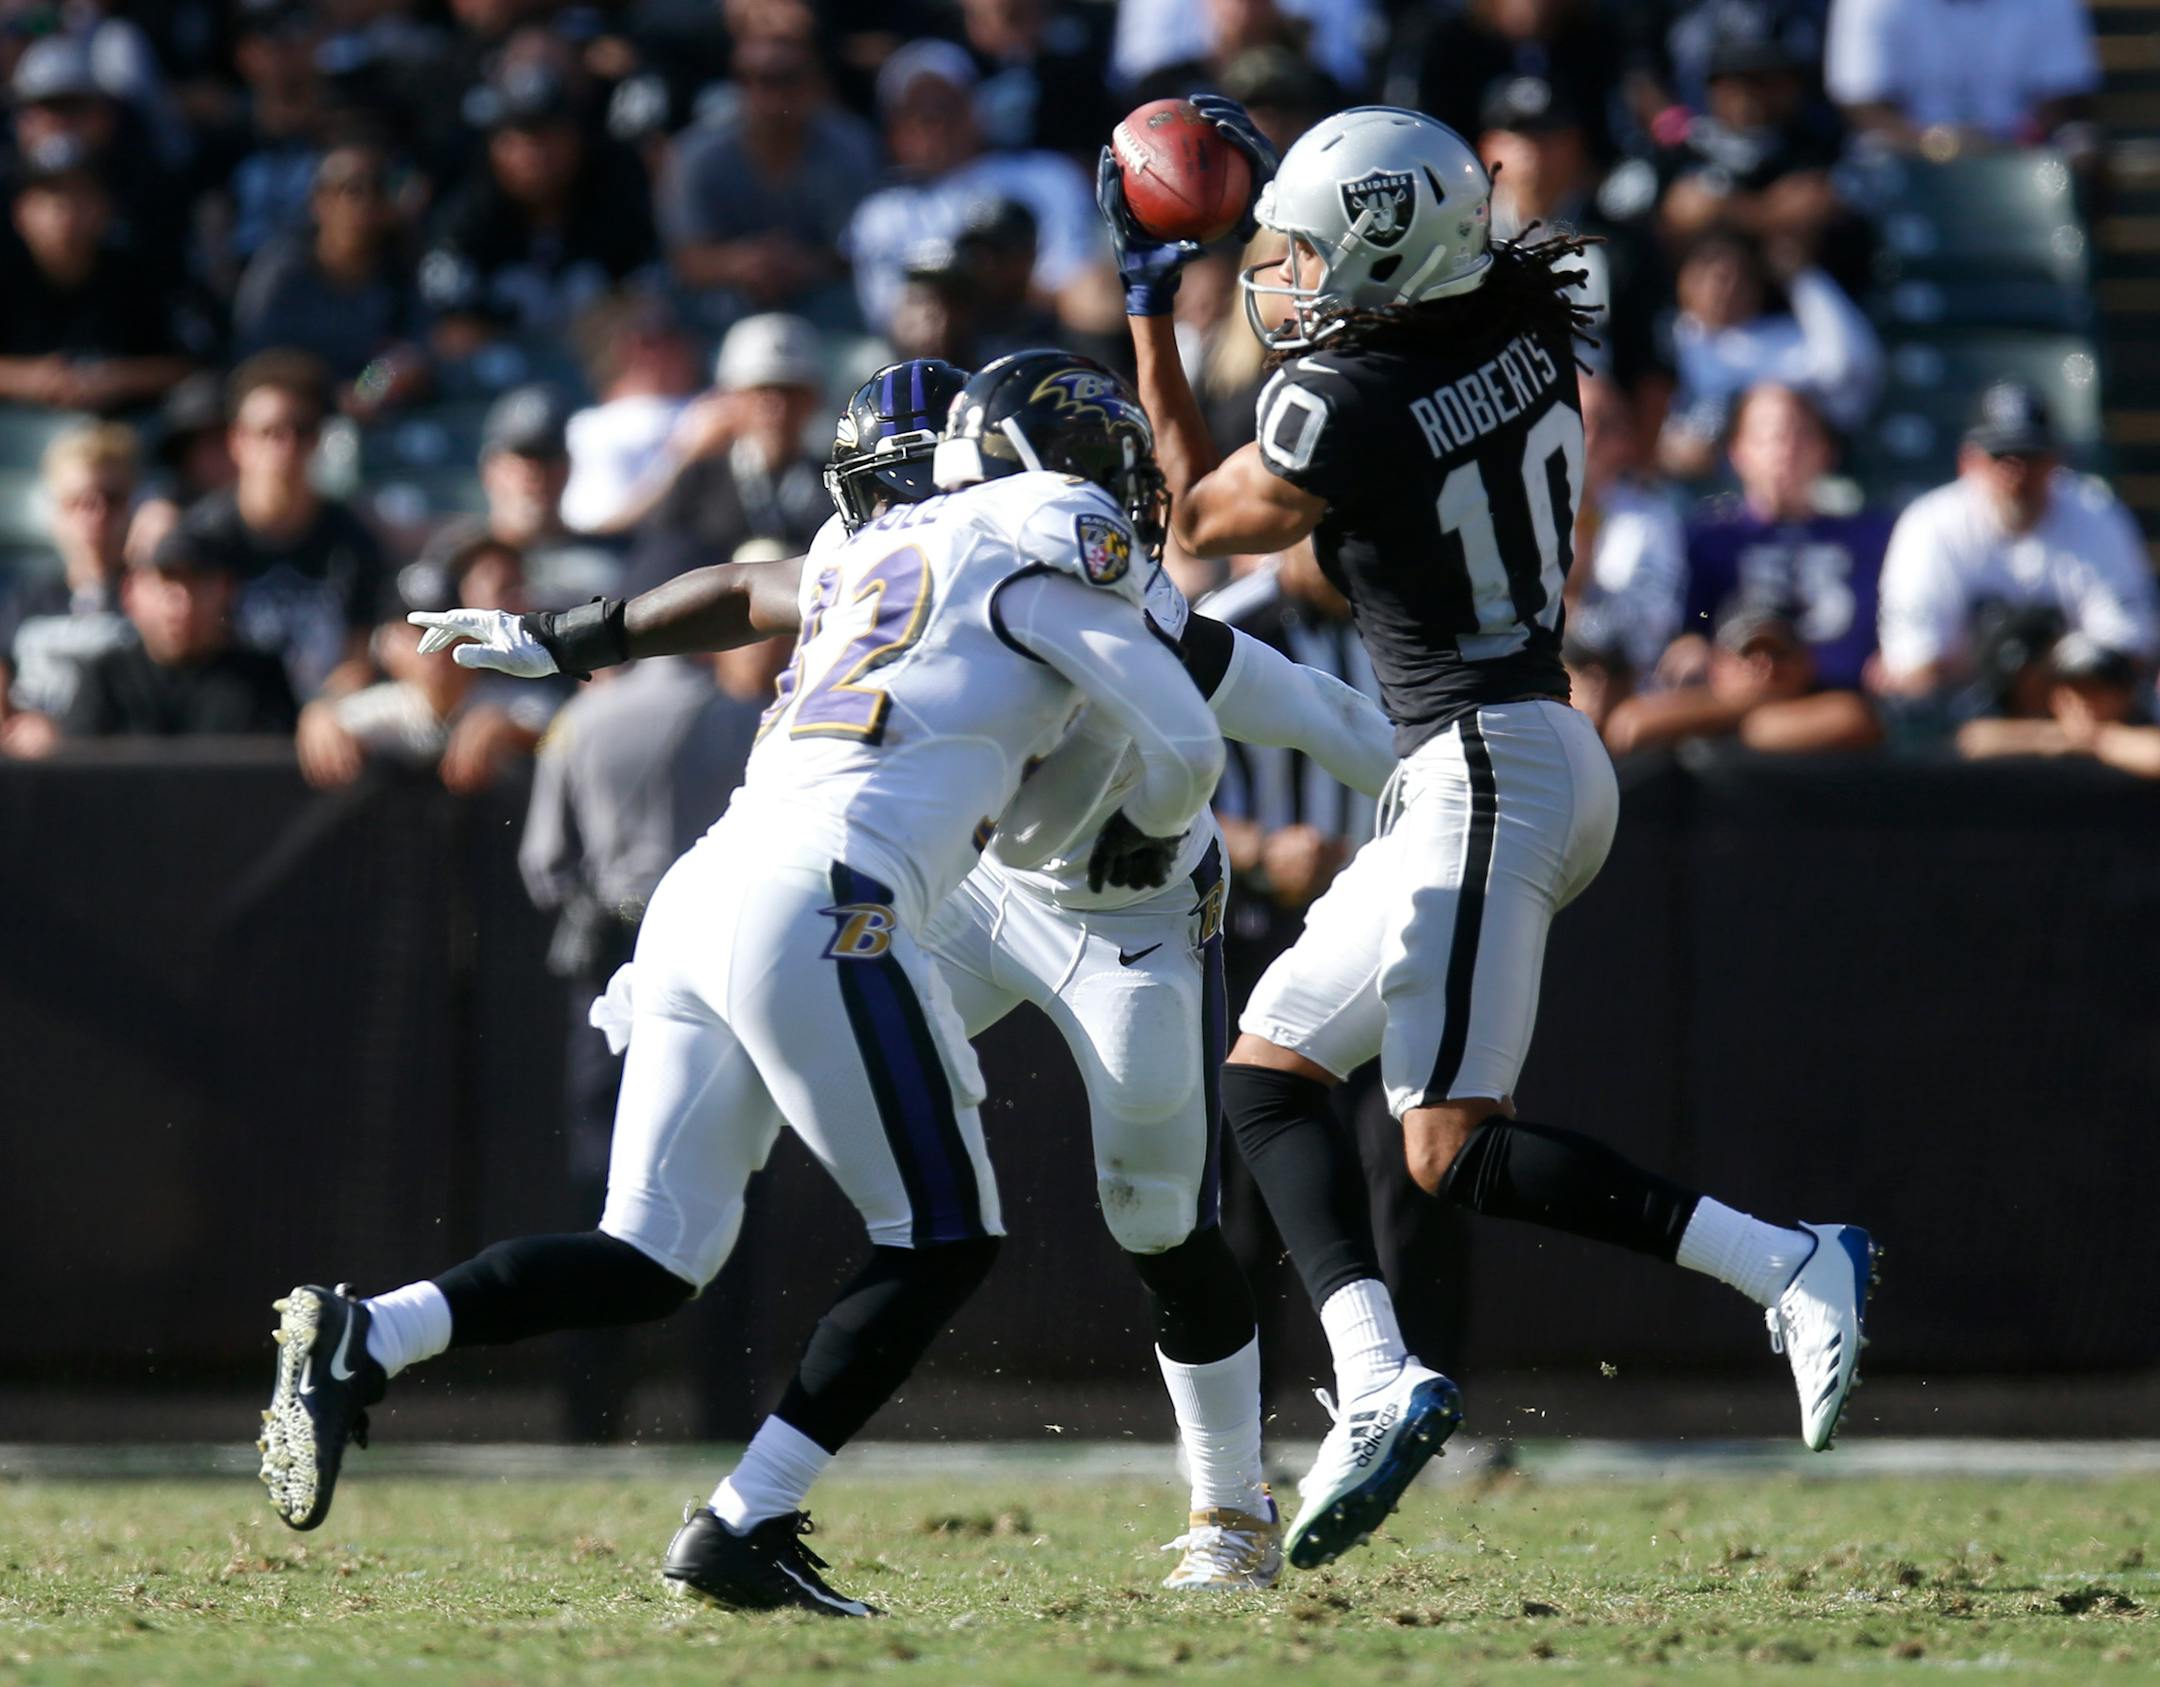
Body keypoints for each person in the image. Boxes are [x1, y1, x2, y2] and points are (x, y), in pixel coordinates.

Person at [364, 351, 1404, 1594]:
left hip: (1125, 911)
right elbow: (758, 589)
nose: (887, 506)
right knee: (877, 1187)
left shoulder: (1055, 561)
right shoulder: (916, 558)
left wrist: (1441, 795)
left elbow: (1285, 714)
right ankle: (740, 1469)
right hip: (964, 889)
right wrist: (569, 636)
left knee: (1154, 1211)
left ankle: (1229, 1507)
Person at [1098, 98, 1875, 1568]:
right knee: (1267, 1076)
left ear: (1391, 253)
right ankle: (1376, 1370)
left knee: (1447, 1145)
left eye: (1311, 252)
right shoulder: (1524, 324)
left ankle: (1784, 1261)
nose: (1285, 272)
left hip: (1480, 762)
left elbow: (1194, 521)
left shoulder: (1354, 397)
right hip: (1507, 747)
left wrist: (1151, 309)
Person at [1876, 381, 2158, 698]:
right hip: (1958, 725)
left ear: (2056, 460)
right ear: (1967, 462)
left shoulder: (2098, 515)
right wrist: (2004, 671)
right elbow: (1914, 672)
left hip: (2076, 716)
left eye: (2030, 456)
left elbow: (2131, 654)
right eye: (2000, 457)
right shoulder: (1930, 525)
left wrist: (2033, 673)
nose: (2016, 472)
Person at [843, 41, 1113, 338]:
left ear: (976, 109)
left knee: (1096, 294)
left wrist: (1002, 284)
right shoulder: (879, 215)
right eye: (917, 112)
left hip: (1042, 331)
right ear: (893, 131)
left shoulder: (1045, 174)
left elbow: (1070, 279)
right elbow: (890, 315)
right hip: (943, 349)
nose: (934, 124)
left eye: (946, 106)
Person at [182, 351, 386, 700]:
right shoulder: (201, 540)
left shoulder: (352, 540)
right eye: (269, 432)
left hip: (325, 729)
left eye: (300, 430)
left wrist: (325, 710)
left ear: (319, 440)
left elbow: (359, 657)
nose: (285, 446)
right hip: (228, 724)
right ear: (238, 441)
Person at [295, 536, 558, 793]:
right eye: (419, 632)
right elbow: (332, 720)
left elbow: (567, 736)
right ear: (388, 645)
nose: (437, 648)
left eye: (448, 628)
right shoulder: (387, 708)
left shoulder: (509, 701)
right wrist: (318, 715)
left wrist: (515, 733)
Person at [1680, 382, 1891, 696]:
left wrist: (1891, 651)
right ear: (1737, 452)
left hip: (1842, 697)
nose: (1786, 449)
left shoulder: (1870, 537)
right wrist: (1700, 637)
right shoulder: (1713, 538)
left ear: (1826, 449)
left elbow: (1884, 613)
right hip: (1739, 694)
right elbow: (1701, 610)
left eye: (1801, 434)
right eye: (1768, 436)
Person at [420, 61, 659, 340]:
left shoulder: (615, 205)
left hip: (599, 371)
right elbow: (415, 345)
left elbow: (652, 303)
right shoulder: (461, 227)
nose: (536, 155)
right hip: (494, 376)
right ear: (495, 148)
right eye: (522, 139)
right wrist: (370, 384)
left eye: (550, 136)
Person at [656, 29, 876, 323]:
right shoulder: (697, 155)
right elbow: (685, 260)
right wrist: (742, 263)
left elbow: (861, 254)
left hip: (824, 301)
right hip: (727, 303)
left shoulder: (849, 149)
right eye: (755, 78)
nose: (772, 95)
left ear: (817, 82)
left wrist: (798, 267)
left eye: (788, 78)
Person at [1656, 224, 1880, 479]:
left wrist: (1802, 277)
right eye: (1709, 273)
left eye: (1737, 277)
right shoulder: (1659, 336)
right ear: (1683, 277)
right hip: (1672, 488)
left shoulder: (1778, 343)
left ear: (1757, 286)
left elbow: (1847, 365)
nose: (1722, 288)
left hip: (1762, 484)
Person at [0, 136, 206, 413]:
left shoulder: (142, 275)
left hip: (125, 435)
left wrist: (118, 379)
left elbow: (193, 365)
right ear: (20, 212)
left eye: (80, 196)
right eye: (51, 197)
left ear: (106, 207)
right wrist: (26, 378)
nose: (66, 212)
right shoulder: (7, 273)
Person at [616, 314, 832, 577]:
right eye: (760, 391)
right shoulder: (699, 482)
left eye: (790, 391)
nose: (776, 406)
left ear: (814, 399)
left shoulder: (833, 484)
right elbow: (653, 567)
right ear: (729, 398)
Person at [232, 137, 429, 415]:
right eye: (352, 190)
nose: (365, 204)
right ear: (319, 201)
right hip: (295, 419)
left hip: (376, 417)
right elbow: (258, 363)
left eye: (378, 190)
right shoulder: (282, 273)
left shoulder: (398, 269)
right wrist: (331, 396)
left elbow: (405, 353)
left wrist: (366, 391)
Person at [59, 526, 297, 739]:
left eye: (198, 582)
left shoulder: (262, 681)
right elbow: (76, 775)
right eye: (167, 581)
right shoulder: (105, 678)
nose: (183, 602)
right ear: (130, 593)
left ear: (227, 591)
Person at [0, 424, 142, 757]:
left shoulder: (155, 601)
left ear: (134, 506)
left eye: (112, 499)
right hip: (31, 775)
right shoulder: (24, 600)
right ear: (55, 512)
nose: (97, 515)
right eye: (79, 502)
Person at [1825, 0, 2100, 158]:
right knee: (1870, 152)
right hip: (1910, 152)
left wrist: (2007, 143)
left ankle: (2065, 256)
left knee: (2082, 149)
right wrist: (1937, 144)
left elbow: (2063, 94)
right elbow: (1862, 103)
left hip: (2020, 152)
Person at [470, 384, 626, 606]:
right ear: (490, 469)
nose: (536, 476)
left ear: (567, 467)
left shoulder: (614, 559)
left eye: (548, 459)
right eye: (523, 460)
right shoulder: (458, 561)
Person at [559, 295, 701, 535]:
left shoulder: (719, 400)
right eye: (671, 332)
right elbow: (598, 526)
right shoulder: (592, 430)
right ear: (639, 345)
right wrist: (687, 454)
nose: (691, 342)